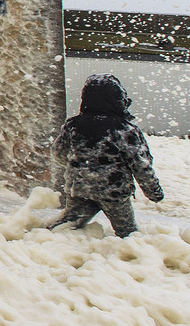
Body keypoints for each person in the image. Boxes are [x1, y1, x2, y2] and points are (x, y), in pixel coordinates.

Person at [47, 73, 164, 238]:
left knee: (66, 225)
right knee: (128, 233)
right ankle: (130, 254)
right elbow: (141, 165)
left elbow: (58, 152)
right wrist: (154, 192)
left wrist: (79, 166)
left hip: (80, 187)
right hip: (113, 192)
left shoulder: (74, 125)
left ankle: (41, 241)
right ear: (118, 99)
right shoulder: (125, 129)